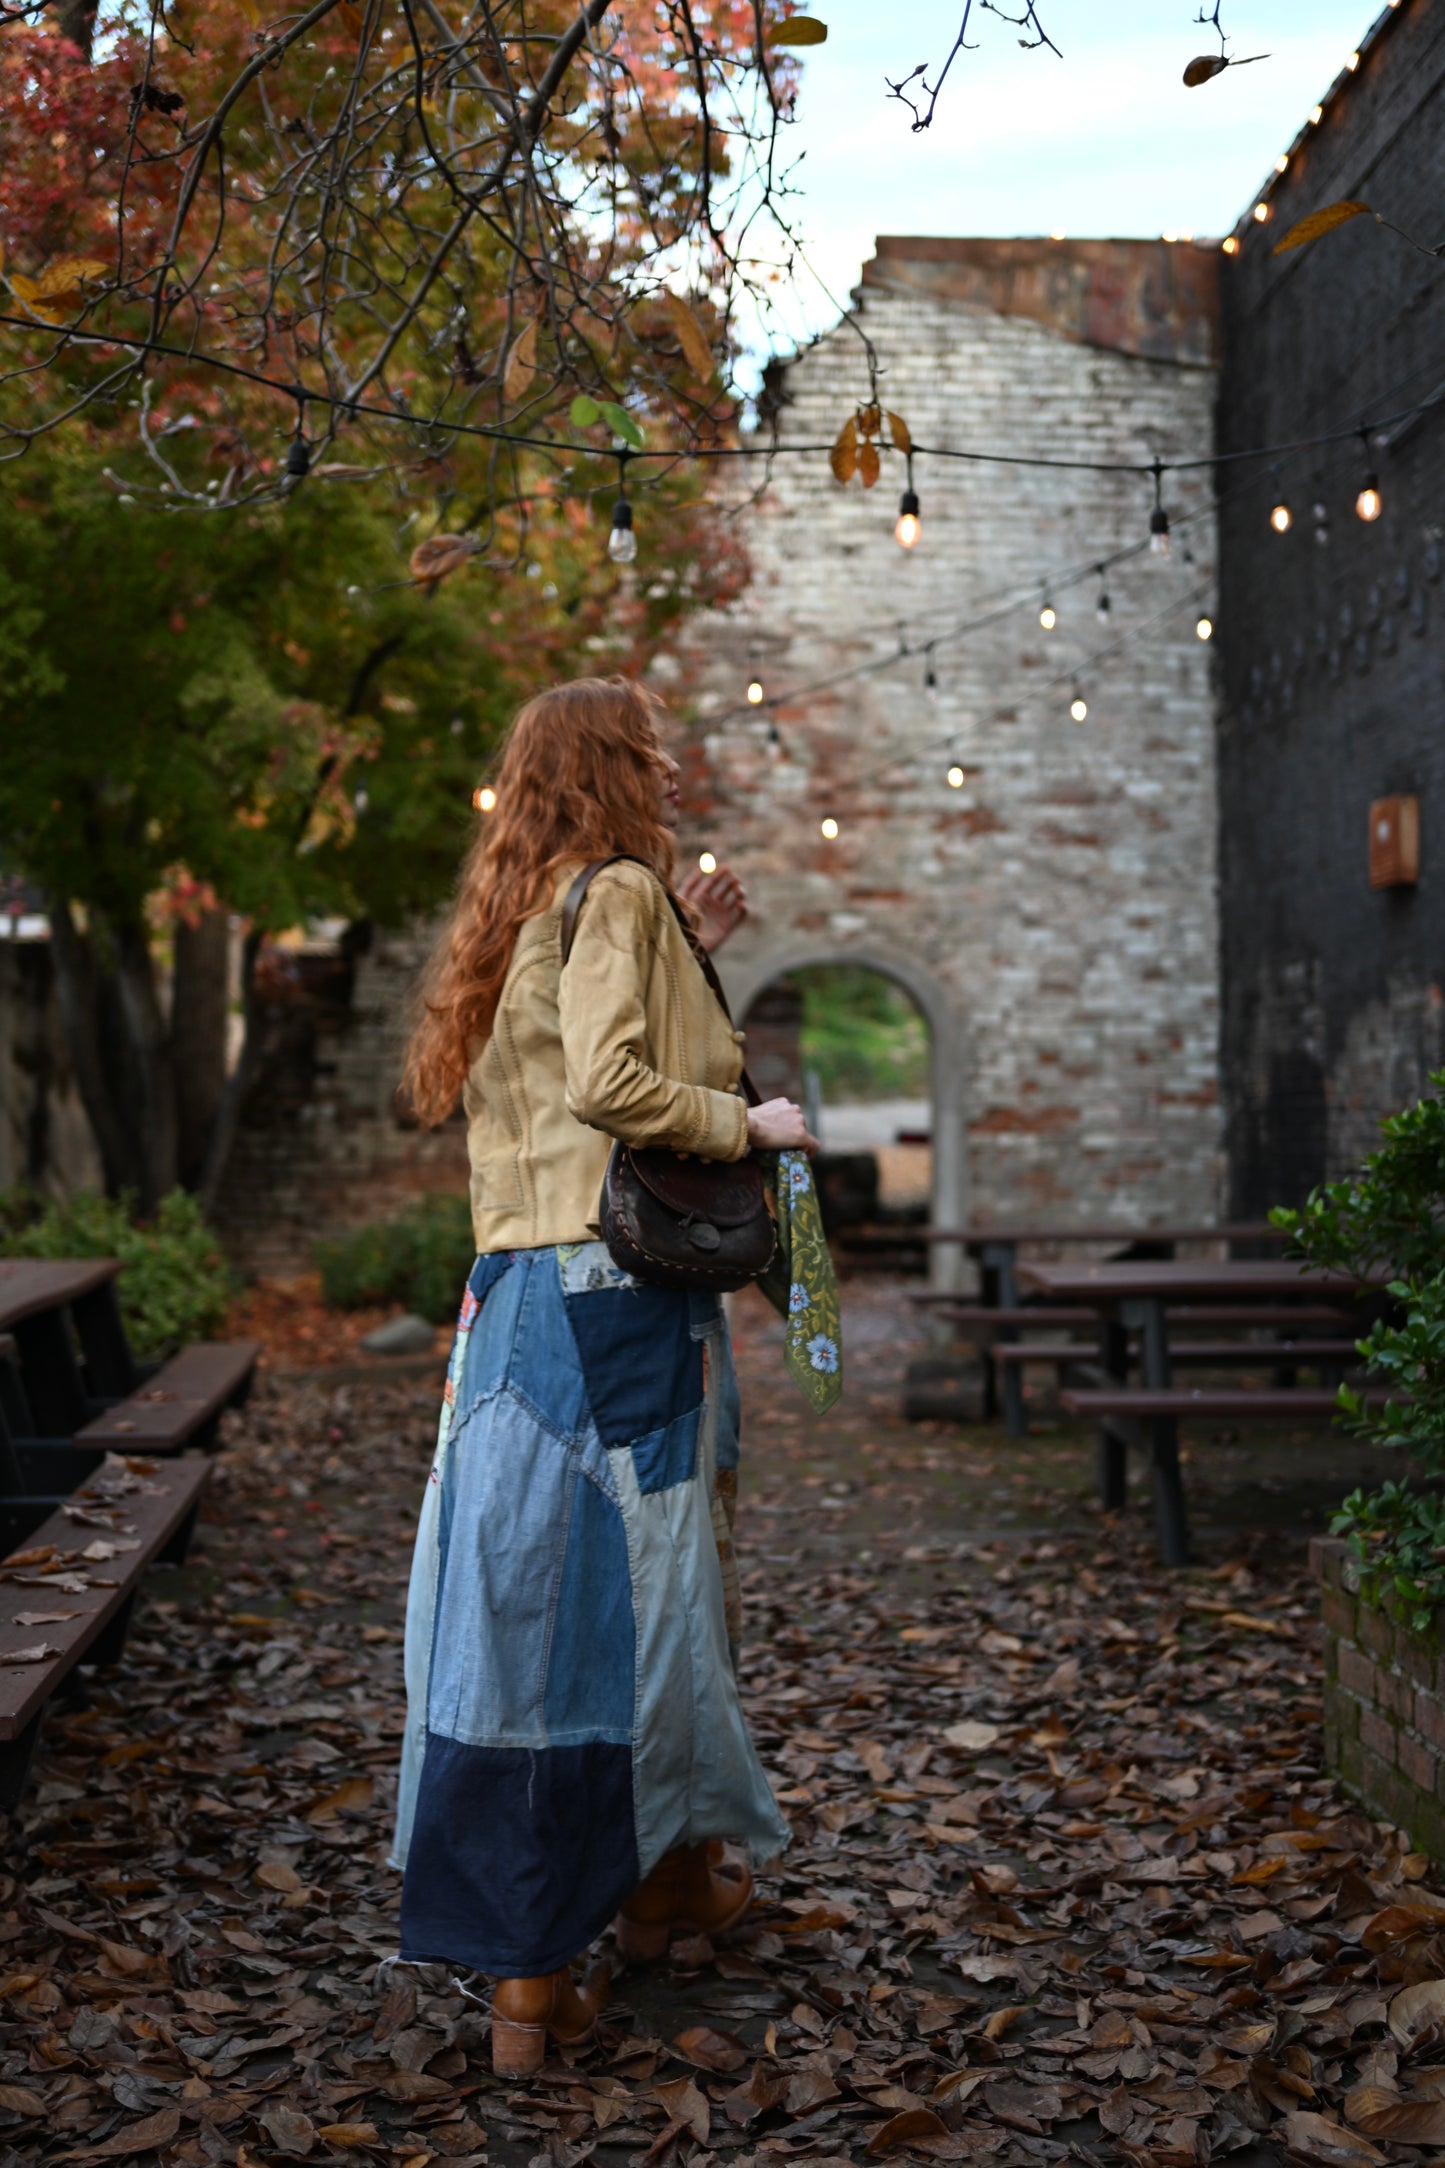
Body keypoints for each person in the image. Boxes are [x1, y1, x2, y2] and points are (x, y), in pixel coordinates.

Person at [390, 674, 817, 2077]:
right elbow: (612, 1087)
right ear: (606, 767)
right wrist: (749, 1124)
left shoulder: (525, 911)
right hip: (621, 1305)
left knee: (524, 1616)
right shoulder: (617, 892)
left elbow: (563, 1075)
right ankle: (595, 1916)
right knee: (647, 1600)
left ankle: (615, 1911)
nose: (673, 769)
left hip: (510, 1308)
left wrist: (688, 947)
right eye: (651, 748)